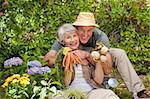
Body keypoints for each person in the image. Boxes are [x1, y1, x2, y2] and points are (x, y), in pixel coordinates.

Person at [44, 12, 149, 98]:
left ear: (93, 29)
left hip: (96, 55)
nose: (85, 34)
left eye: (89, 30)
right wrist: (67, 56)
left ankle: (139, 91)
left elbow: (107, 70)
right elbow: (49, 57)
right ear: (76, 28)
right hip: (74, 61)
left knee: (119, 53)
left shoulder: (100, 37)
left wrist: (88, 56)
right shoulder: (69, 35)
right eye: (81, 30)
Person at [52, 23, 119, 99]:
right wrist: (69, 61)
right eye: (68, 37)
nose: (73, 40)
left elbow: (98, 80)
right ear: (63, 41)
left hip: (90, 92)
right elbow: (65, 84)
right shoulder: (61, 57)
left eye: (74, 36)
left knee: (109, 95)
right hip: (70, 93)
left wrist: (97, 60)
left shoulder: (88, 52)